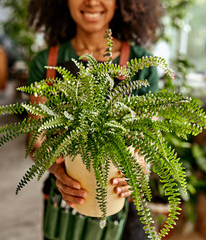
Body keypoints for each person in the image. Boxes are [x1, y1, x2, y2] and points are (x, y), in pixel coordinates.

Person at [26, 0, 163, 239]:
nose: (91, 1)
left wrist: (140, 169)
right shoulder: (45, 63)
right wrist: (58, 171)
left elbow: (148, 139)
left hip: (123, 201)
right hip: (65, 200)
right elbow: (35, 138)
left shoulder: (142, 64)